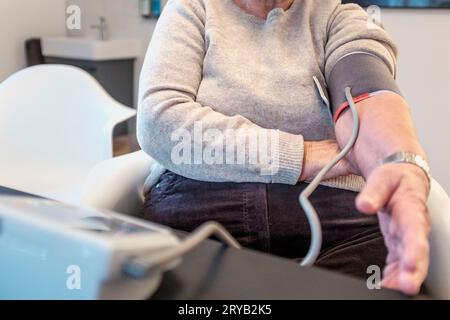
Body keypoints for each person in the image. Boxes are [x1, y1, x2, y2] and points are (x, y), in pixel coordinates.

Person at [137, 0, 430, 295]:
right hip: (199, 209)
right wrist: (304, 156)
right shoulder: (192, 8)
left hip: (338, 226)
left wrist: (399, 161)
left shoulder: (339, 18)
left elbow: (367, 95)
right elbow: (159, 123)